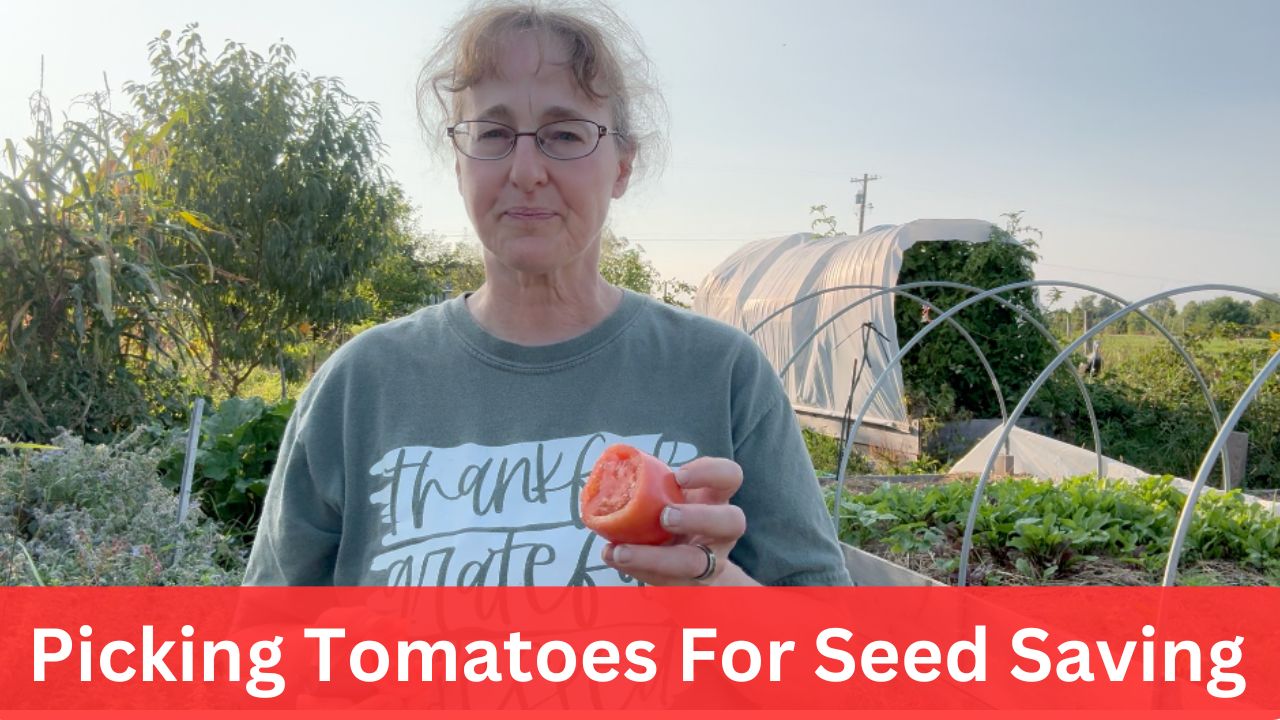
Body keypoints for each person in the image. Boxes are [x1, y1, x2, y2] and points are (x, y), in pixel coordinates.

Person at [242, 0, 850, 587]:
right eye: (492, 133)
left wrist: (718, 590)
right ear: (458, 163)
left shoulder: (720, 373)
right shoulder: (360, 384)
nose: (527, 170)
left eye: (564, 134)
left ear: (622, 164)